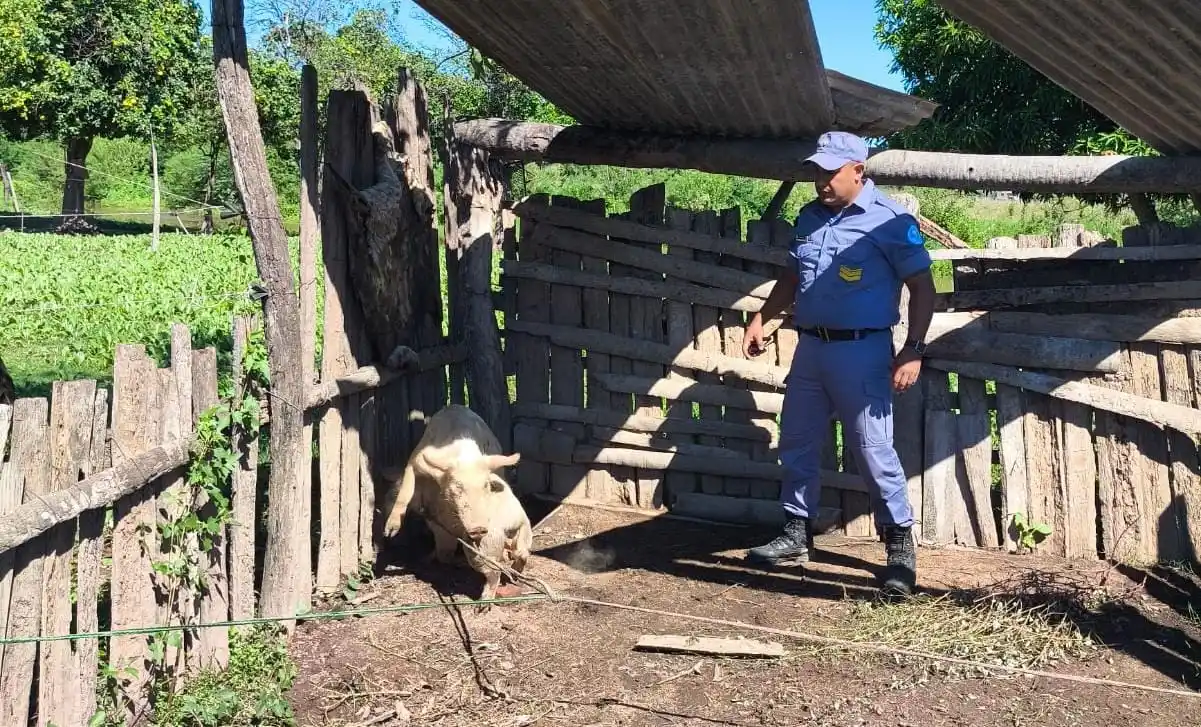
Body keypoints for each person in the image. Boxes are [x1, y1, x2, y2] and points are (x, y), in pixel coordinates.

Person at [742, 130, 936, 597]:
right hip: (811, 348)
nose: (821, 182)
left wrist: (913, 348)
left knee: (873, 450)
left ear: (858, 171)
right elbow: (792, 276)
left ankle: (899, 548)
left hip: (863, 350)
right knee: (797, 442)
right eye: (816, 172)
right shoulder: (809, 218)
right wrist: (763, 318)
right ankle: (796, 533)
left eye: (831, 172)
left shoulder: (890, 221)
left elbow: (924, 289)